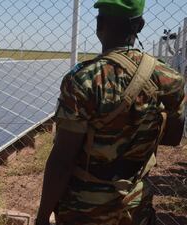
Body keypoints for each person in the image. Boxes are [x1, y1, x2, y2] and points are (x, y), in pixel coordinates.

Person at [35, 0, 185, 225]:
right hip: (135, 205)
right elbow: (173, 138)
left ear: (99, 25)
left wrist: (43, 215)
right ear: (140, 26)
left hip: (84, 209)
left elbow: (63, 160)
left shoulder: (82, 81)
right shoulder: (169, 78)